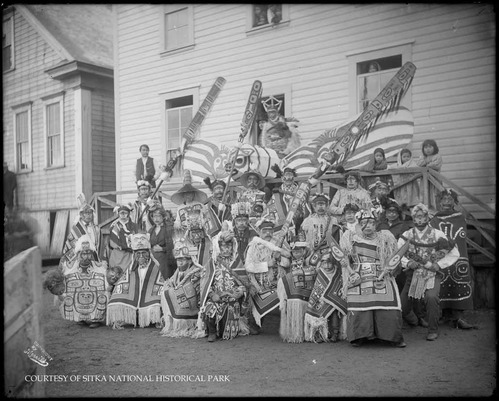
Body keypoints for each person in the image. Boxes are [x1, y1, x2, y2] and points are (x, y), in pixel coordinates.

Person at [340, 209, 406, 348]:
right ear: (359, 224)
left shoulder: (385, 238)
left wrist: (390, 269)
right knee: (359, 304)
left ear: (376, 224)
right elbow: (344, 257)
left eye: (370, 222)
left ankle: (391, 336)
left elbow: (393, 258)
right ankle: (360, 336)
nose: (368, 226)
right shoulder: (350, 238)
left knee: (388, 304)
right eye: (364, 223)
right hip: (359, 275)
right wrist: (347, 267)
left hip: (382, 274)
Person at [398, 203, 460, 341]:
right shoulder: (406, 235)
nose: (419, 220)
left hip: (432, 274)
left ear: (427, 217)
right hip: (412, 274)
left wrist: (439, 264)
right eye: (416, 217)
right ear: (413, 219)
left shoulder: (437, 234)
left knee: (431, 298)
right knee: (402, 305)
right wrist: (408, 263)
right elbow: (398, 253)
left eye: (422, 216)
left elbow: (454, 251)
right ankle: (414, 320)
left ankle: (433, 329)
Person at [302, 197, 347, 343]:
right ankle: (319, 330)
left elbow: (337, 242)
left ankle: (333, 330)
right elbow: (304, 241)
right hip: (312, 259)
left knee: (330, 293)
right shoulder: (307, 221)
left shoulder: (333, 221)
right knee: (316, 295)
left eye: (323, 204)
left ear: (327, 205)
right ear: (313, 206)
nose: (320, 207)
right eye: (317, 205)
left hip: (329, 261)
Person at [430, 189, 475, 329]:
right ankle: (446, 315)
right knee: (442, 281)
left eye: (450, 199)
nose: (447, 202)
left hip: (458, 256)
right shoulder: (435, 219)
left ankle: (458, 316)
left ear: (454, 202)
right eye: (444, 199)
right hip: (442, 257)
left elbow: (461, 235)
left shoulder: (460, 217)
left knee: (459, 281)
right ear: (439, 202)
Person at [198, 224, 249, 342]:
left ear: (233, 247)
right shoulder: (211, 264)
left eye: (229, 246)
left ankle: (223, 330)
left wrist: (240, 293)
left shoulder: (237, 263)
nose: (226, 249)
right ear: (218, 247)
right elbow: (204, 284)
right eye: (223, 246)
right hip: (216, 297)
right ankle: (211, 332)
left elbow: (244, 283)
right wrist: (212, 295)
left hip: (232, 298)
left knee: (231, 308)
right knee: (210, 308)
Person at [46, 235, 110, 328]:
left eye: (89, 253)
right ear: (78, 254)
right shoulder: (70, 267)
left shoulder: (99, 267)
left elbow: (106, 282)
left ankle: (95, 318)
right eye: (83, 254)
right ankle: (80, 318)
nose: (86, 257)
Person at [106, 233, 165, 329]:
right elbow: (121, 286)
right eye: (138, 254)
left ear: (149, 254)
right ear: (134, 255)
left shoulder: (155, 268)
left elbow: (161, 285)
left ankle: (156, 318)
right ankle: (126, 318)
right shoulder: (131, 270)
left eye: (144, 253)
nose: (141, 256)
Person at [244, 219, 290, 331]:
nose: (268, 233)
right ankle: (254, 323)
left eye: (270, 231)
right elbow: (248, 266)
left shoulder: (279, 244)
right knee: (252, 294)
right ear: (259, 231)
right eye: (265, 231)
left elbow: (288, 263)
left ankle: (286, 325)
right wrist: (267, 264)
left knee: (287, 294)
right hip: (259, 284)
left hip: (277, 283)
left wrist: (279, 258)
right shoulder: (253, 246)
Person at [277, 231, 318, 343]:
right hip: (292, 289)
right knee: (291, 308)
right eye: (295, 251)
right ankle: (293, 332)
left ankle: (307, 332)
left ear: (304, 252)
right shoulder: (288, 261)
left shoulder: (309, 261)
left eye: (299, 251)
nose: (297, 254)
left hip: (306, 288)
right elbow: (280, 261)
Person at [160, 237, 204, 338]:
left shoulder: (196, 272)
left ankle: (187, 325)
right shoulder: (177, 272)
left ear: (189, 261)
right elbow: (171, 282)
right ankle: (172, 324)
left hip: (193, 307)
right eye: (178, 260)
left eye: (182, 260)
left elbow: (195, 291)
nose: (180, 263)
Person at [376, 199, 414, 293]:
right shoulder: (380, 225)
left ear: (398, 214)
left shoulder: (402, 226)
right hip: (382, 256)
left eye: (394, 212)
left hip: (397, 256)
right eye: (389, 212)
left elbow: (403, 244)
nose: (391, 214)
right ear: (385, 213)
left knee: (398, 282)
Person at [59, 193, 101, 270]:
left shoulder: (96, 228)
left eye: (90, 213)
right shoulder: (77, 228)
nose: (89, 215)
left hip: (92, 258)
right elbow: (71, 245)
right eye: (86, 213)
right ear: (81, 215)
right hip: (78, 259)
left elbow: (97, 245)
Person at [268, 166, 310, 233]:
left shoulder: (300, 191)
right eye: (286, 177)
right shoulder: (277, 194)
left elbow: (306, 209)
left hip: (298, 223)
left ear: (293, 178)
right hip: (281, 225)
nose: (288, 179)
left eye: (290, 177)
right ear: (282, 178)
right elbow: (271, 210)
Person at [148, 202, 176, 280]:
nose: (156, 219)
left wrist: (162, 249)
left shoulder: (169, 228)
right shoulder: (151, 230)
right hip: (153, 260)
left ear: (163, 217)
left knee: (165, 279)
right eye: (154, 216)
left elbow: (174, 245)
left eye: (158, 216)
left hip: (165, 260)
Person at [107, 203, 136, 272]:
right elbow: (112, 242)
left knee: (129, 272)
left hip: (129, 254)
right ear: (118, 214)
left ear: (128, 214)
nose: (123, 215)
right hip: (118, 253)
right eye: (121, 213)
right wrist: (120, 246)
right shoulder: (114, 226)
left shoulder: (134, 226)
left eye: (125, 213)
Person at [416, 139, 443, 211]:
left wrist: (426, 164)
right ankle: (426, 210)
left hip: (434, 180)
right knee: (424, 195)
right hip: (424, 180)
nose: (428, 149)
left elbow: (435, 165)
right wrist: (425, 162)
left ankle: (436, 211)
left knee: (435, 195)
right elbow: (419, 164)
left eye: (430, 147)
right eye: (425, 147)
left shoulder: (437, 156)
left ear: (435, 147)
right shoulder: (422, 157)